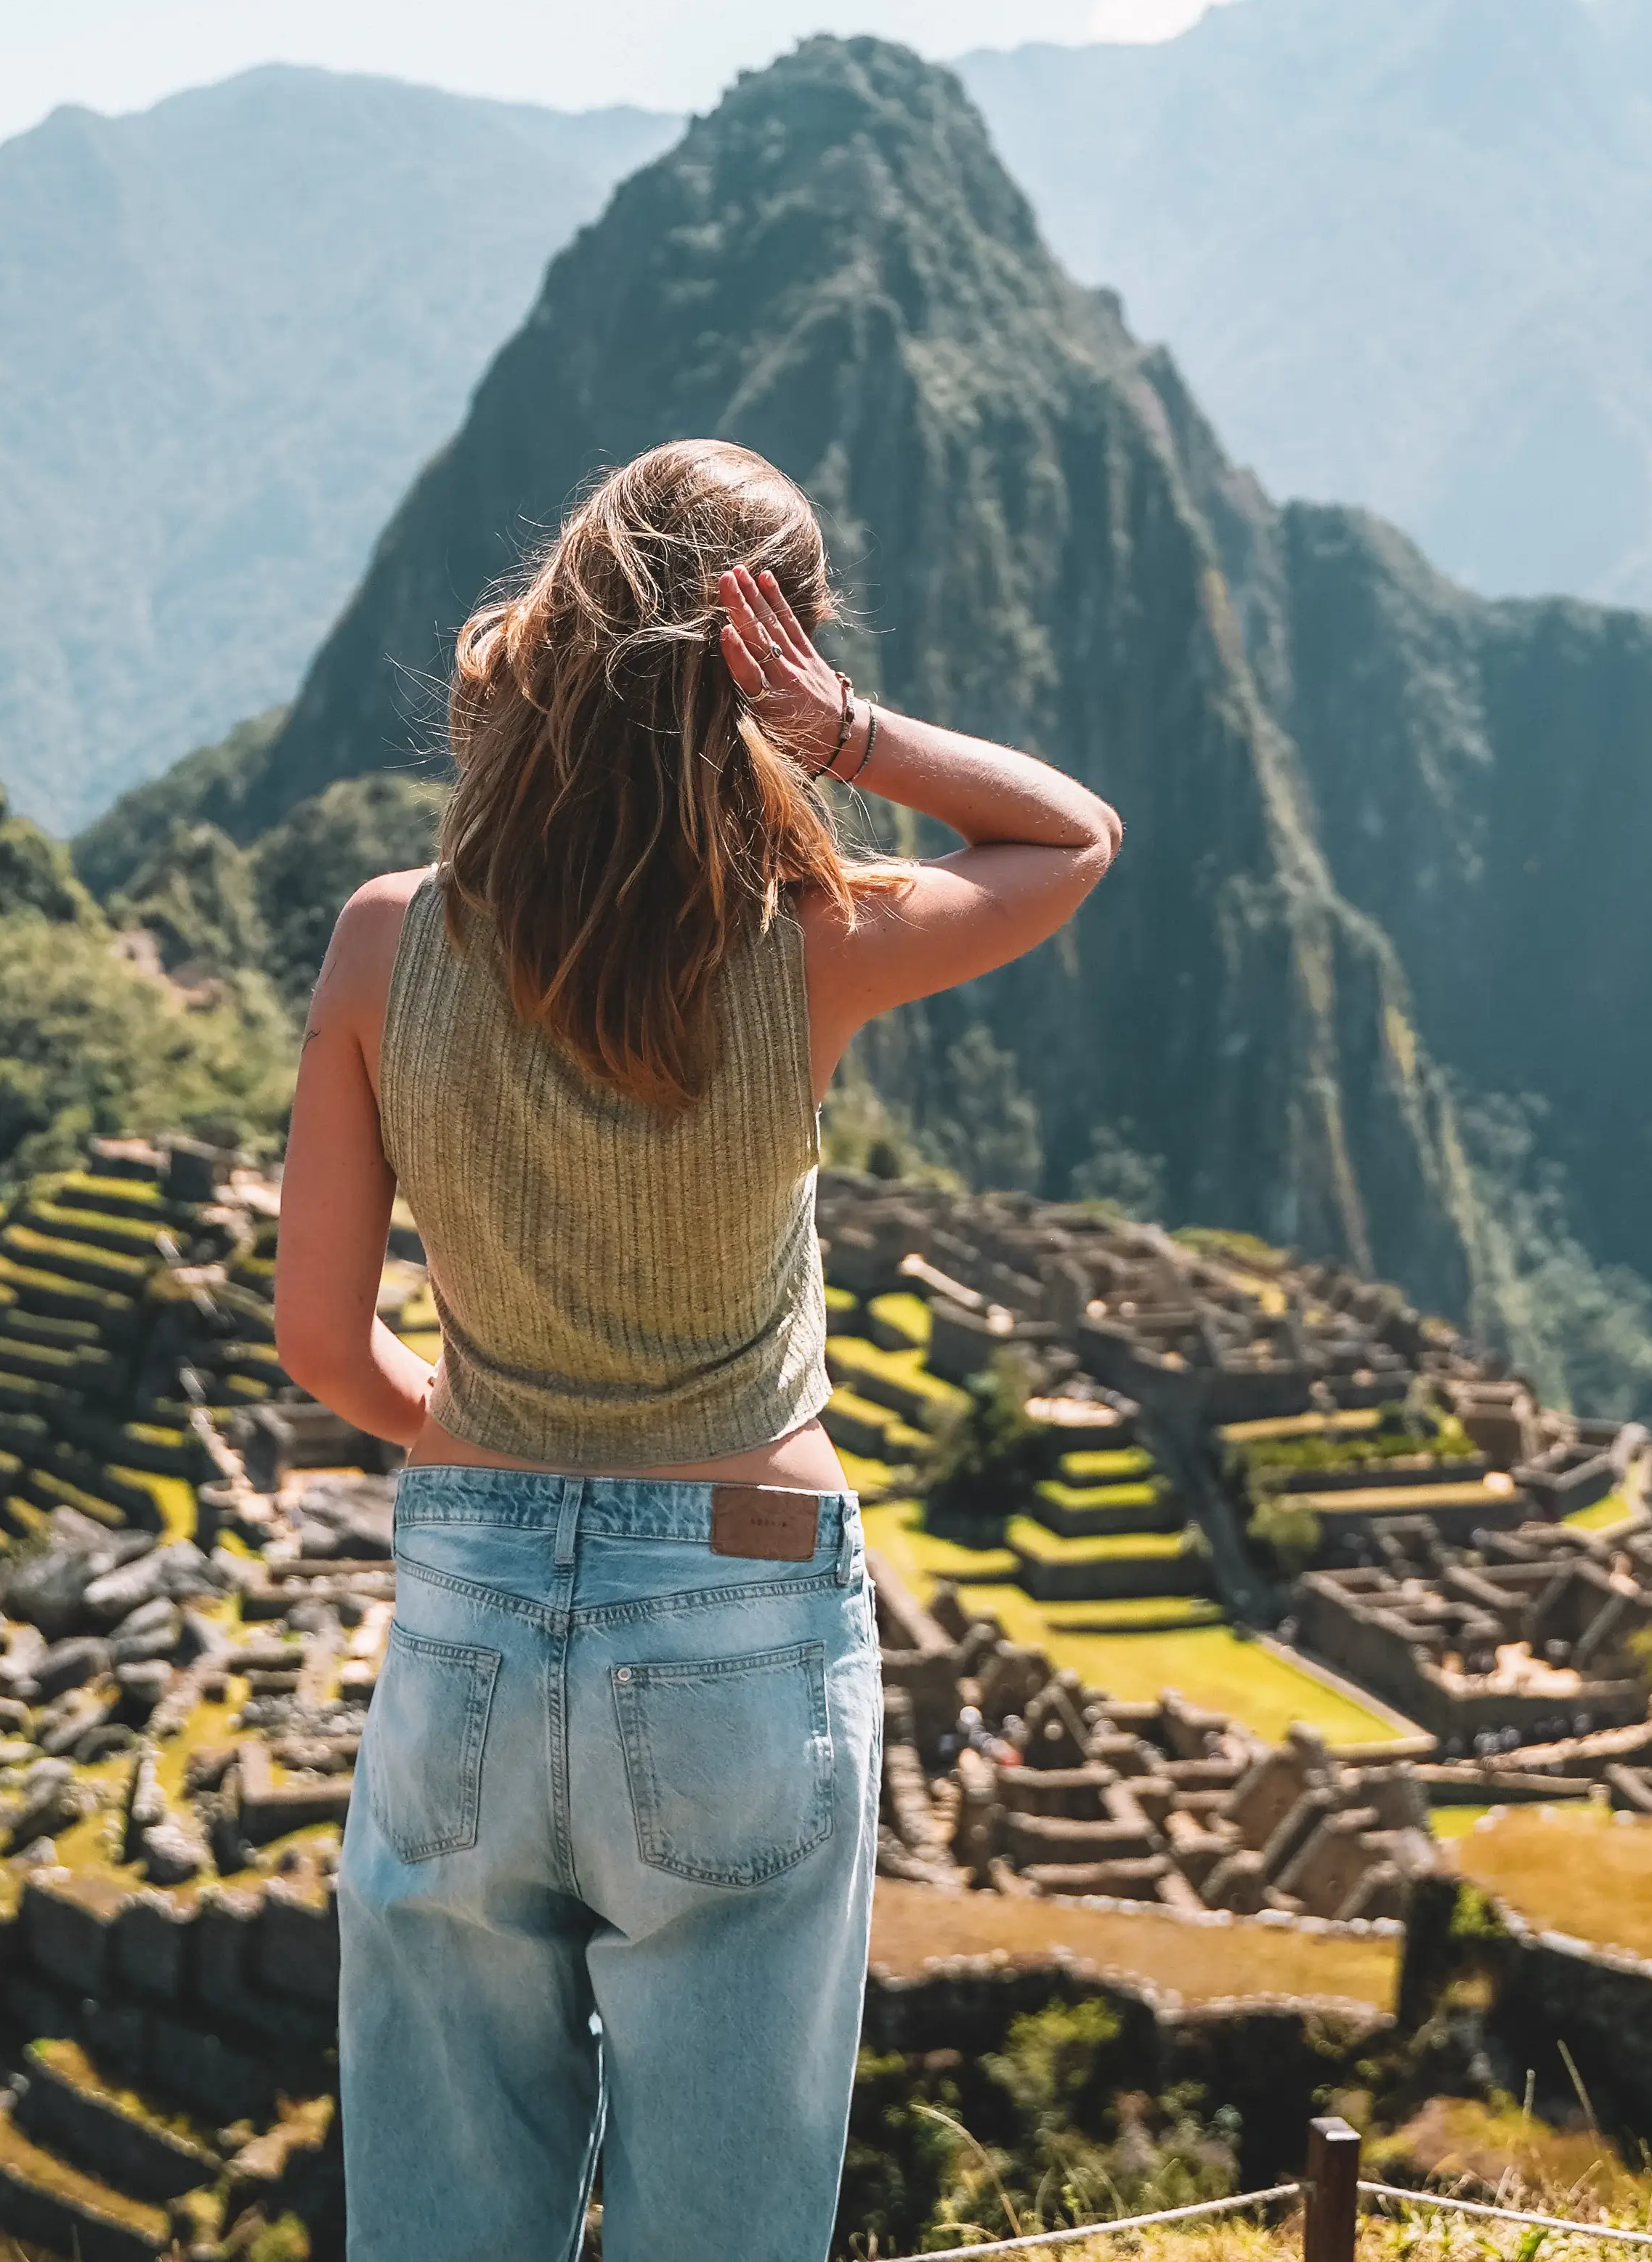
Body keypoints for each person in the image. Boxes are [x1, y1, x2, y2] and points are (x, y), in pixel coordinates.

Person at [272, 437, 1122, 2257]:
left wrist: (490, 1439)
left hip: (470, 1616)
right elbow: (1068, 836)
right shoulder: (807, 946)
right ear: (766, 665)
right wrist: (847, 736)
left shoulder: (381, 945)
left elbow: (320, 1340)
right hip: (739, 1615)